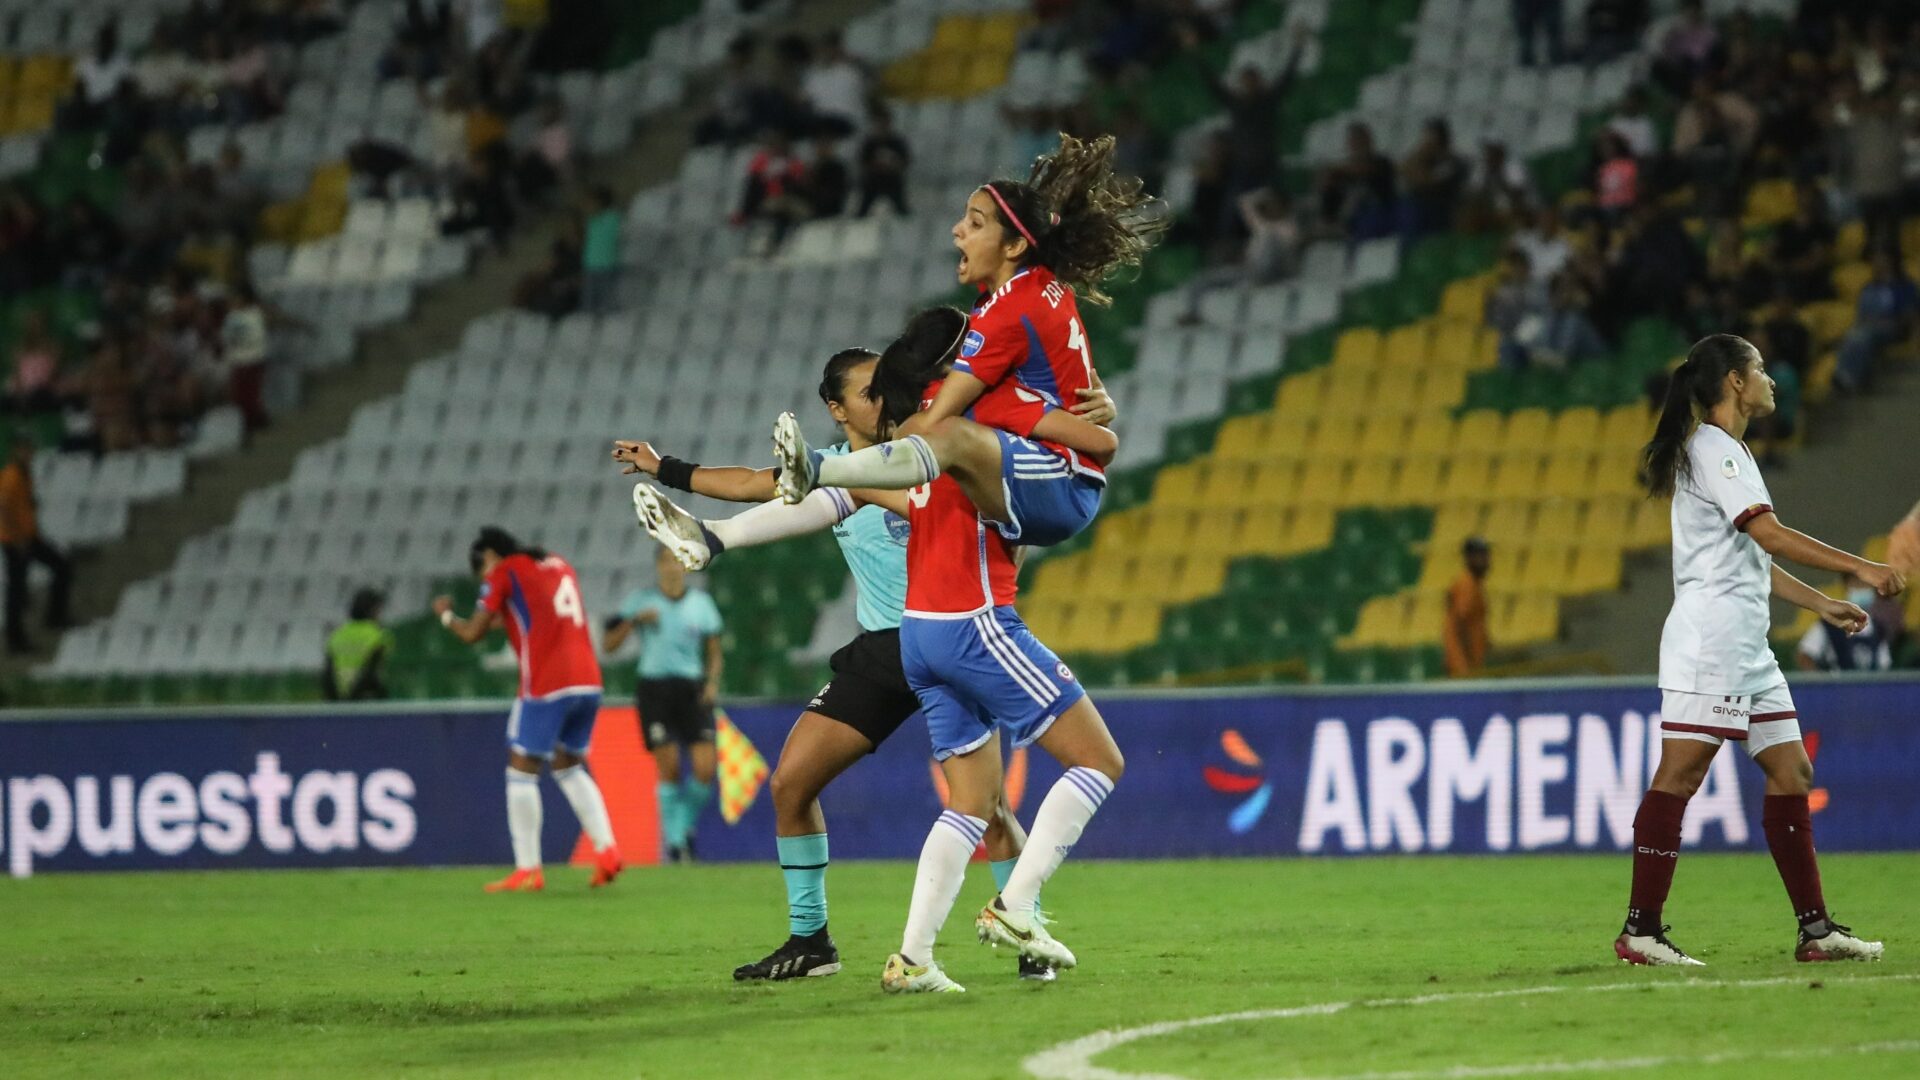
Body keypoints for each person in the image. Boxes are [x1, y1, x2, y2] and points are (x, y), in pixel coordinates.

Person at [615, 340, 1112, 981]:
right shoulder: (847, 473)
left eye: (887, 386)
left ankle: (1024, 936)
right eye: (868, 390)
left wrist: (1091, 410)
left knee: (986, 808)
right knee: (791, 782)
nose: (882, 397)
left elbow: (944, 498)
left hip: (950, 633)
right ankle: (811, 941)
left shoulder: (925, 451)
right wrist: (670, 473)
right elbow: (754, 486)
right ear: (837, 407)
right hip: (886, 651)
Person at [1617, 333, 1903, 967]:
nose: (1773, 380)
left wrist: (1822, 602)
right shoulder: (1715, 451)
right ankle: (1641, 930)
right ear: (1736, 384)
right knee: (1681, 775)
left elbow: (1752, 558)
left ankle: (1816, 930)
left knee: (1792, 771)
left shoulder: (1731, 452)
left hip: (1747, 645)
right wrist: (1864, 570)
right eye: (1762, 370)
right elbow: (1770, 536)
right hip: (1712, 641)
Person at [773, 133, 1161, 558]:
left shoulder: (1005, 318)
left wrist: (879, 440)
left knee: (941, 429)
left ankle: (817, 470)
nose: (958, 230)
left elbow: (936, 421)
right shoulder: (1038, 284)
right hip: (1055, 471)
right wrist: (1100, 401)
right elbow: (1076, 380)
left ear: (1013, 246)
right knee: (932, 439)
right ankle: (754, 509)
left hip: (1058, 481)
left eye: (975, 223)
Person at [433, 527, 622, 893]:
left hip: (548, 683)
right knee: (568, 765)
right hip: (588, 680)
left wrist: (446, 617)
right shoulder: (557, 564)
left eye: (481, 569)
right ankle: (607, 850)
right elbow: (524, 615)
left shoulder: (505, 571)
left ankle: (528, 869)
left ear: (489, 556)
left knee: (521, 768)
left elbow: (473, 633)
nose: (484, 578)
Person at [603, 545, 724, 864]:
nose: (672, 568)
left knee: (704, 768)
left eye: (677, 562)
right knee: (668, 767)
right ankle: (676, 843)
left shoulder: (702, 604)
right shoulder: (640, 602)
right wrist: (633, 621)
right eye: (666, 561)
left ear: (686, 566)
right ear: (658, 565)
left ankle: (682, 826)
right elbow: (609, 646)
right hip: (654, 690)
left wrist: (712, 683)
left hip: (691, 689)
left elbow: (714, 651)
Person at [0, 436, 72, 654]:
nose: (28, 454)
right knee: (17, 590)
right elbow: (3, 508)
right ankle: (16, 640)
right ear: (16, 451)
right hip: (16, 541)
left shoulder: (24, 475)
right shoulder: (11, 476)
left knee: (61, 566)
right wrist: (17, 536)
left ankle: (55, 616)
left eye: (30, 449)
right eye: (24, 450)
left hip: (29, 537)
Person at [1834, 249, 1919, 393]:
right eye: (1874, 260)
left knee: (1863, 336)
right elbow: (1861, 316)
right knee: (1853, 335)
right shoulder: (1869, 287)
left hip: (1894, 328)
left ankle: (1849, 378)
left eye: (1880, 259)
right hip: (1869, 327)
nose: (1876, 264)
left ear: (1890, 262)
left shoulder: (1905, 286)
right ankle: (1844, 377)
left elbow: (1909, 316)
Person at [1796, 575, 1893, 672]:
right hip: (1838, 686)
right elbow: (1805, 656)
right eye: (1857, 584)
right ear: (1846, 586)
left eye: (1866, 585)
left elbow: (1884, 666)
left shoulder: (1878, 629)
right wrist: (1820, 683)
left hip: (1870, 687)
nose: (1862, 588)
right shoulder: (1830, 623)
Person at [323, 588, 395, 700]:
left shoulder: (336, 635)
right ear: (373, 610)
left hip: (338, 701)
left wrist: (336, 701)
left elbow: (328, 675)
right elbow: (371, 673)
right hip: (366, 699)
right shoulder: (380, 636)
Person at [1444, 537, 1490, 678]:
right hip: (1464, 667)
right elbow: (1460, 624)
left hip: (1468, 665)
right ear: (1469, 558)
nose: (1486, 560)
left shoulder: (1473, 584)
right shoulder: (1467, 585)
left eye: (1486, 555)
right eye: (1480, 555)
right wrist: (1467, 662)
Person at [855, 106, 910, 217]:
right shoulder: (869, 143)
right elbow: (863, 163)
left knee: (901, 208)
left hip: (892, 179)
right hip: (873, 180)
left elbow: (904, 161)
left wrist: (892, 165)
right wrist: (877, 166)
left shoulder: (896, 142)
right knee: (863, 207)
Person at [580, 186, 620, 314]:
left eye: (591, 203)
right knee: (588, 306)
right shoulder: (591, 221)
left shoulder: (613, 217)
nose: (587, 207)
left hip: (607, 266)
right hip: (591, 267)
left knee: (607, 304)